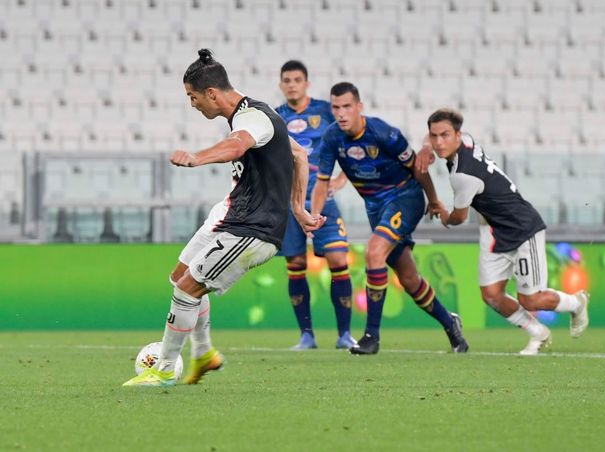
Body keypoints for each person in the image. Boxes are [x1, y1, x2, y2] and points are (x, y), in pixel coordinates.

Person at [123, 49, 324, 387]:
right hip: (231, 215)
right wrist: (299, 209)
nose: (193, 104)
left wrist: (196, 158)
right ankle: (203, 353)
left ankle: (163, 370)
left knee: (187, 289)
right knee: (181, 277)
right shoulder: (257, 115)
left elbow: (236, 147)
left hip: (252, 230)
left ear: (212, 93)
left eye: (193, 97)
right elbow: (300, 155)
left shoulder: (253, 119)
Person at [311, 82, 469, 355]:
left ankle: (371, 336)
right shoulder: (331, 138)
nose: (341, 113)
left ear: (359, 106)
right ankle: (450, 324)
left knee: (374, 252)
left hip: (405, 198)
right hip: (375, 208)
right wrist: (313, 217)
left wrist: (432, 199)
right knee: (409, 280)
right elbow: (321, 183)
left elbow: (417, 169)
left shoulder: (383, 132)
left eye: (347, 106)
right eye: (336, 107)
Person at [420, 108, 589, 355]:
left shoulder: (462, 175)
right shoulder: (467, 141)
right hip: (494, 229)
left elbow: (459, 217)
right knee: (491, 294)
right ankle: (538, 333)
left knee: (530, 300)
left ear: (457, 135)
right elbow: (439, 138)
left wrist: (442, 213)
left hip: (522, 229)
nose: (438, 142)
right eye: (433, 136)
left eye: (445, 135)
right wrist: (425, 148)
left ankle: (577, 303)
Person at [275, 60, 355, 350]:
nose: (292, 84)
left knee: (337, 260)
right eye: (287, 80)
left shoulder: (326, 111)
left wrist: (344, 178)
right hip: (290, 201)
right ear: (281, 84)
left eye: (297, 79)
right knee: (295, 263)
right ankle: (306, 335)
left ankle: (345, 334)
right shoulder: (275, 117)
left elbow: (354, 137)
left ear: (307, 83)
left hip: (324, 200)